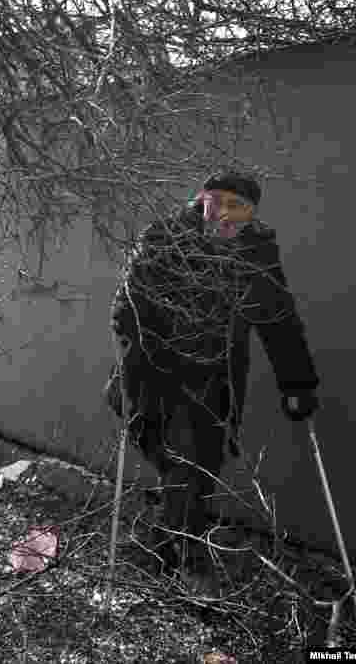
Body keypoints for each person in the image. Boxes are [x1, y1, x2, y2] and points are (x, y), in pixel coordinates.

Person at [105, 171, 320, 585]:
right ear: (200, 200)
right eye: (219, 204)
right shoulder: (163, 238)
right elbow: (126, 309)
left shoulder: (254, 250)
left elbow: (278, 318)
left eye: (239, 210)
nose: (226, 218)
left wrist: (297, 383)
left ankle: (177, 552)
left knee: (195, 468)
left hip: (213, 382)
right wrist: (155, 342)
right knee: (180, 466)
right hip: (155, 377)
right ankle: (177, 554)